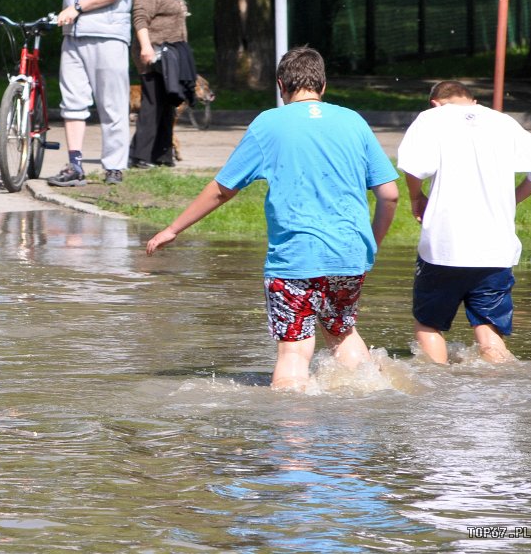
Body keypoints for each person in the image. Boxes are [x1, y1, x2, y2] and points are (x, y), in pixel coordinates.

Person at [146, 47, 399, 391]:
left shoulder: (268, 123)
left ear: (281, 85)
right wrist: (370, 247)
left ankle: (292, 436)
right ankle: (362, 419)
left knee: (294, 353)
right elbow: (389, 195)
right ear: (322, 85)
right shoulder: (354, 121)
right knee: (341, 333)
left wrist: (172, 228)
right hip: (349, 257)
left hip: (294, 259)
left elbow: (223, 190)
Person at [397, 80, 531, 364]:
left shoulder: (431, 119)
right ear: (473, 101)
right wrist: (513, 199)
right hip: (496, 250)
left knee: (429, 324)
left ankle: (434, 392)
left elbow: (415, 166)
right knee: (488, 329)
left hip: (444, 247)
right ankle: (497, 394)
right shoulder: (502, 122)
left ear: (435, 103)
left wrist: (416, 198)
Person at [46, 0, 134, 187]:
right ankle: (74, 165)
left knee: (112, 104)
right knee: (72, 102)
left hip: (108, 35)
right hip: (73, 36)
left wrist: (78, 8)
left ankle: (114, 166)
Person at [129, 0, 196, 168]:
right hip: (154, 54)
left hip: (171, 54)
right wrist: (146, 47)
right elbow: (140, 18)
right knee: (152, 104)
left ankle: (162, 155)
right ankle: (140, 156)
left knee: (168, 102)